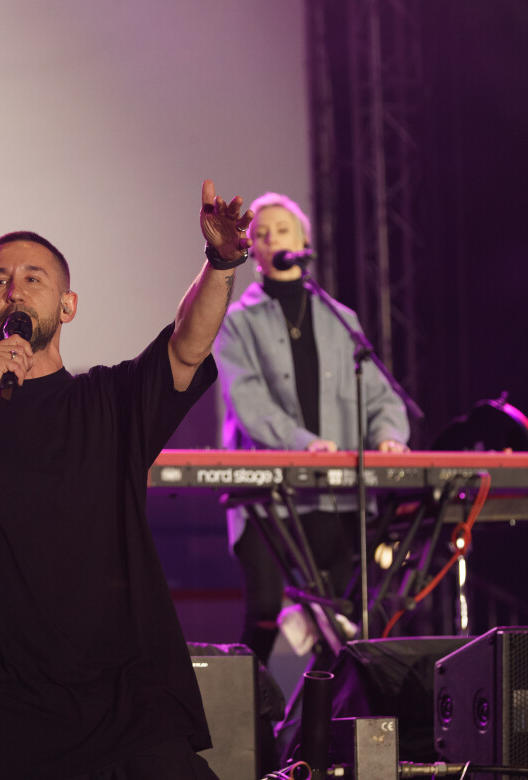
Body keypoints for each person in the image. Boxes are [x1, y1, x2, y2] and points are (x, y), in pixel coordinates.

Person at [0, 180, 253, 780]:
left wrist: (221, 262)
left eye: (34, 277)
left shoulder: (108, 399)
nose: (14, 289)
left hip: (127, 708)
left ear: (68, 305)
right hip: (5, 720)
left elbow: (187, 347)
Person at [214, 192, 410, 665]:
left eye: (282, 230)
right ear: (253, 250)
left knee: (341, 617)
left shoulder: (341, 319)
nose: (271, 239)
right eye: (261, 234)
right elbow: (248, 401)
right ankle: (255, 708)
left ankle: (325, 707)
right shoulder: (236, 322)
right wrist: (303, 444)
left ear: (302, 240)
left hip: (332, 495)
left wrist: (389, 435)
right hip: (266, 496)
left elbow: (381, 395)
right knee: (265, 610)